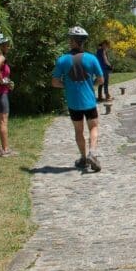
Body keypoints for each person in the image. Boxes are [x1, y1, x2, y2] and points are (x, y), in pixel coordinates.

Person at [52, 26, 105, 171]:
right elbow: (101, 80)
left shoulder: (62, 60)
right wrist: (91, 84)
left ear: (72, 41)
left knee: (78, 130)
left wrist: (67, 86)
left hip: (73, 102)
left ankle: (83, 158)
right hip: (89, 101)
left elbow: (55, 82)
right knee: (93, 127)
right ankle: (92, 153)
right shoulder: (91, 58)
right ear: (83, 42)